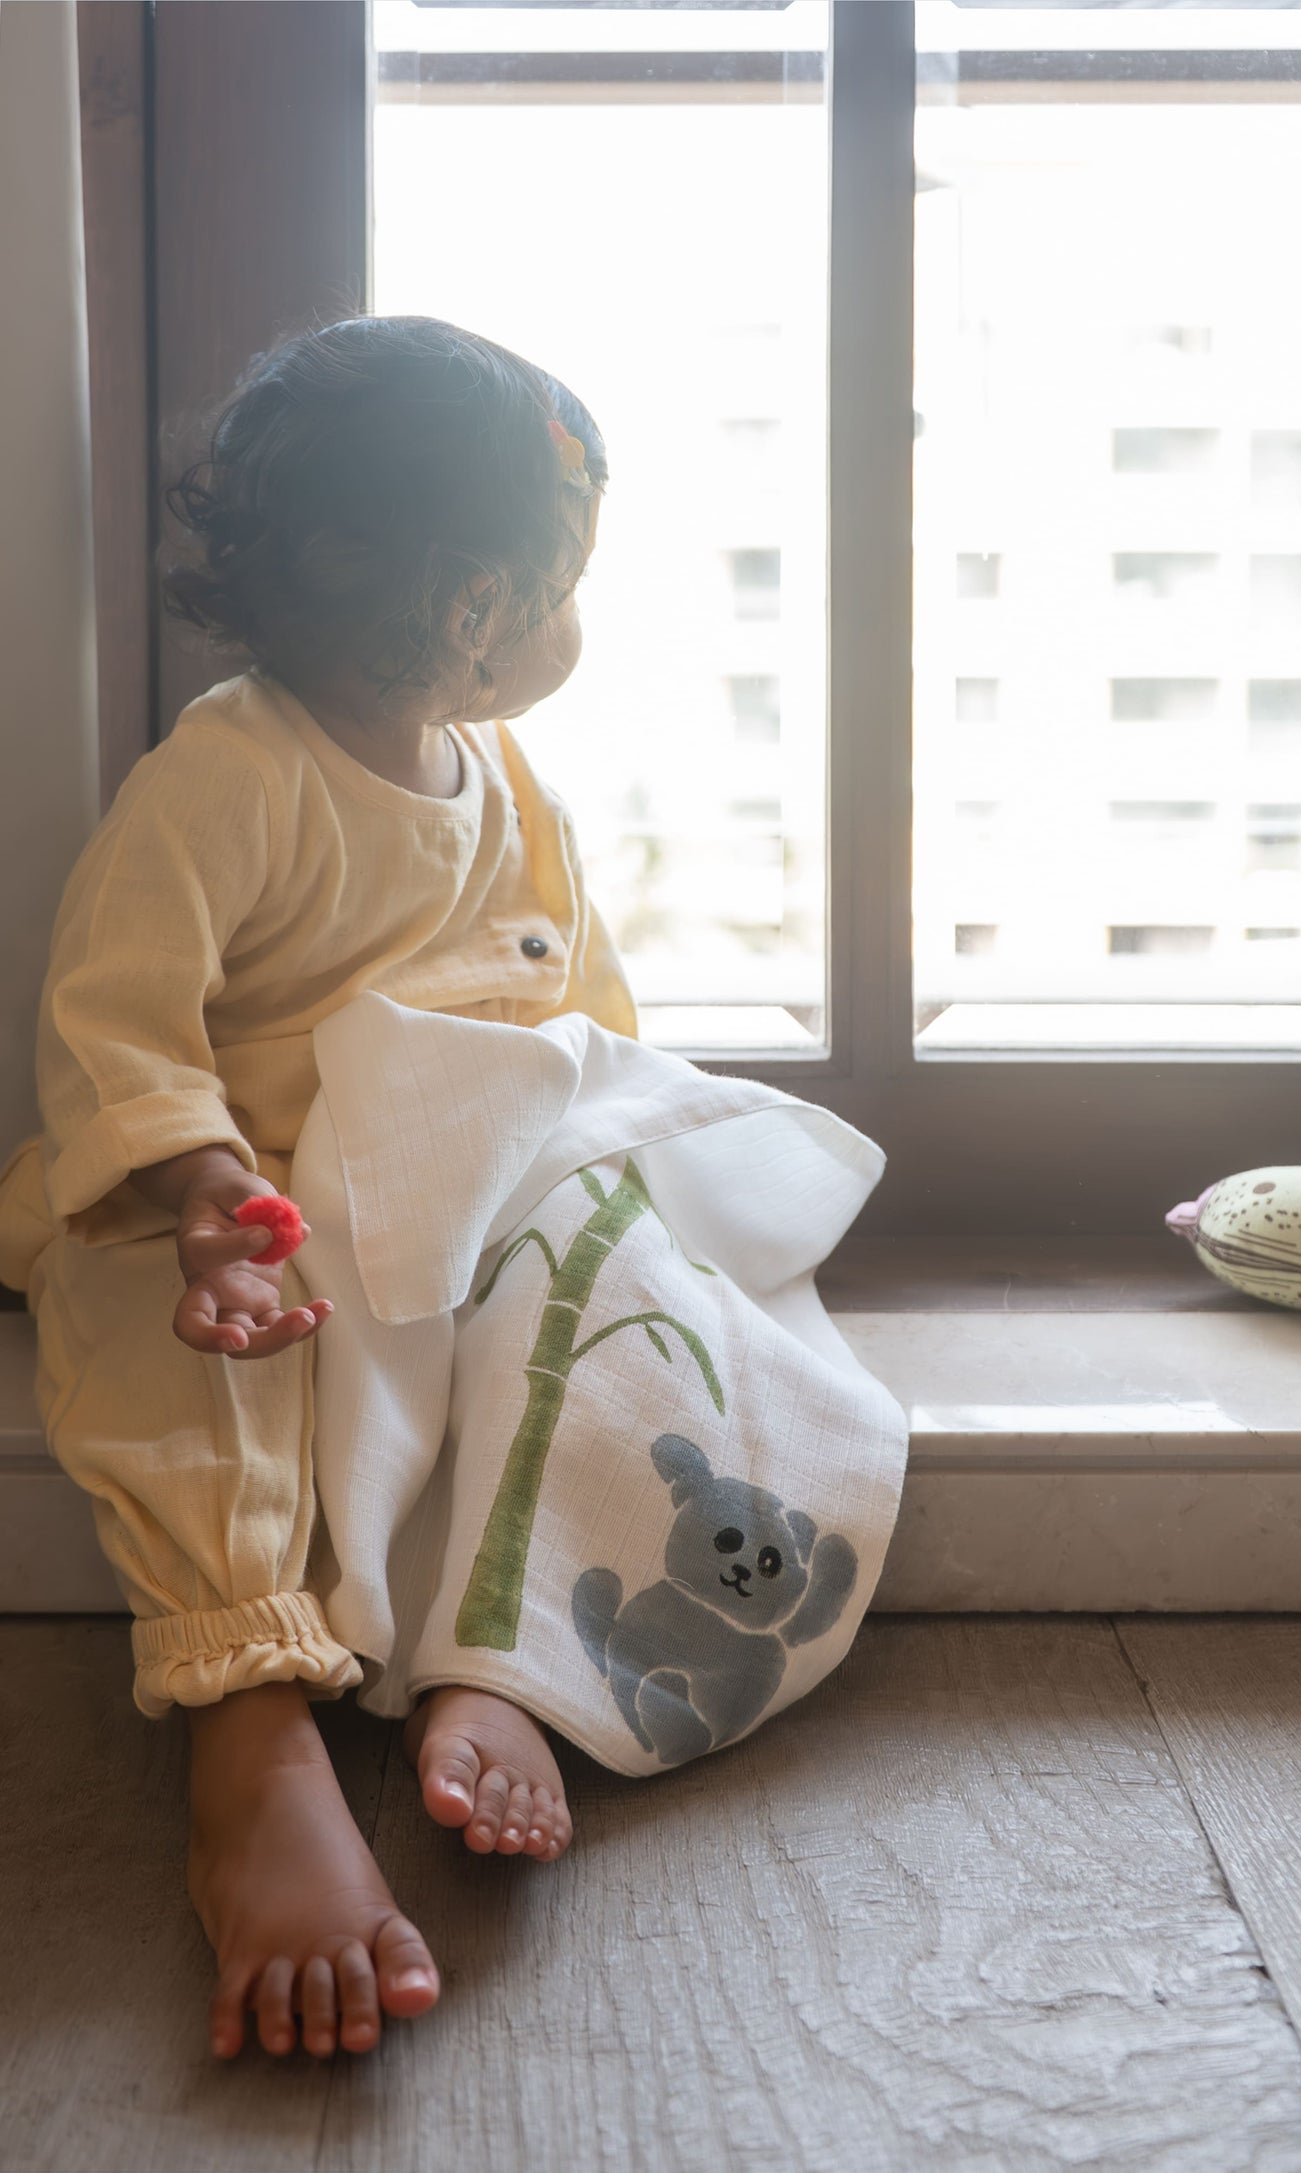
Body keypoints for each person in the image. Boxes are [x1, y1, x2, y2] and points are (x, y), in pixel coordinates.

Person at [0, 317, 637, 2061]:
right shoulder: (231, 775)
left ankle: (497, 1653)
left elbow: (582, 1037)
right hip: (251, 1211)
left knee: (617, 1312)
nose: (572, 626)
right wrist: (204, 1188)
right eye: (566, 585)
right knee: (185, 1348)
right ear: (475, 610)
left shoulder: (521, 802)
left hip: (440, 1206)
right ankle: (250, 1718)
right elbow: (115, 1014)